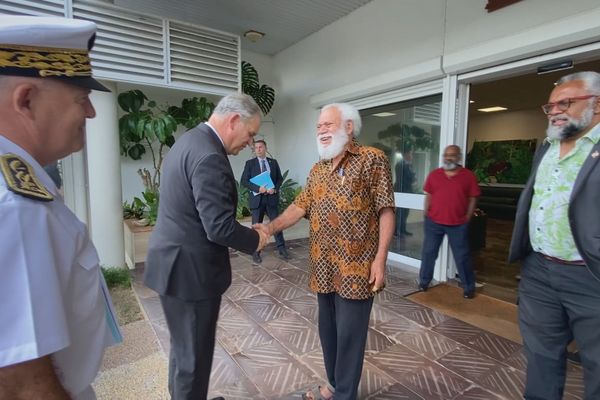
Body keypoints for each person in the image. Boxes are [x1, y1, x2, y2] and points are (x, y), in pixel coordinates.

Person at [0, 16, 122, 399]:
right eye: (80, 98)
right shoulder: (17, 204)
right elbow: (21, 381)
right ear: (26, 100)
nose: (91, 113)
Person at [256, 103, 395, 400]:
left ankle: (345, 394)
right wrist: (269, 229)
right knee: (328, 333)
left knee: (349, 337)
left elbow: (386, 210)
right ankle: (333, 385)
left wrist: (381, 258)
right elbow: (299, 206)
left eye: (327, 124)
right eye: (318, 126)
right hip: (323, 268)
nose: (320, 130)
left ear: (348, 127)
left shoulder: (372, 160)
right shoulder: (318, 169)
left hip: (357, 269)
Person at [143, 93, 269, 400]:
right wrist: (257, 239)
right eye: (250, 135)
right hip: (191, 275)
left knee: (183, 351)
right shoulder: (211, 156)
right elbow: (219, 227)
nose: (250, 144)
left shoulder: (189, 141)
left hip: (172, 266)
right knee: (193, 361)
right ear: (234, 121)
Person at [508, 71, 600, 400]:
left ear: (597, 104)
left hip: (590, 276)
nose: (556, 110)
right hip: (539, 272)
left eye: (566, 102)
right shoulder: (547, 147)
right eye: (551, 105)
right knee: (541, 358)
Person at [418, 145, 480, 299]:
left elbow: (473, 198)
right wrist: (426, 213)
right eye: (446, 155)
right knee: (428, 253)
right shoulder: (434, 175)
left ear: (459, 157)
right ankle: (423, 282)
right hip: (434, 222)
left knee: (462, 256)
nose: (448, 158)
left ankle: (468, 287)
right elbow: (429, 195)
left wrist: (468, 217)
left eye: (452, 155)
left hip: (458, 224)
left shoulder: (468, 176)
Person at [241, 139, 289, 264]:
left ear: (265, 148)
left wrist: (275, 189)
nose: (258, 149)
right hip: (257, 200)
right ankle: (256, 252)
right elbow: (244, 181)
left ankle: (282, 249)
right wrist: (258, 188)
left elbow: (279, 178)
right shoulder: (250, 164)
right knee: (257, 227)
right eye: (256, 147)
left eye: (260, 147)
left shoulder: (273, 162)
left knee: (276, 225)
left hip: (271, 199)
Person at [393, 151, 416, 237]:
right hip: (401, 190)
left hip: (408, 191)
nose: (411, 156)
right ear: (405, 155)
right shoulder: (400, 165)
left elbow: (412, 176)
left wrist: (413, 180)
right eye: (410, 154)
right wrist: (411, 181)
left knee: (405, 212)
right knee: (400, 213)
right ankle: (396, 231)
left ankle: (403, 230)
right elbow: (401, 179)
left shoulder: (410, 165)